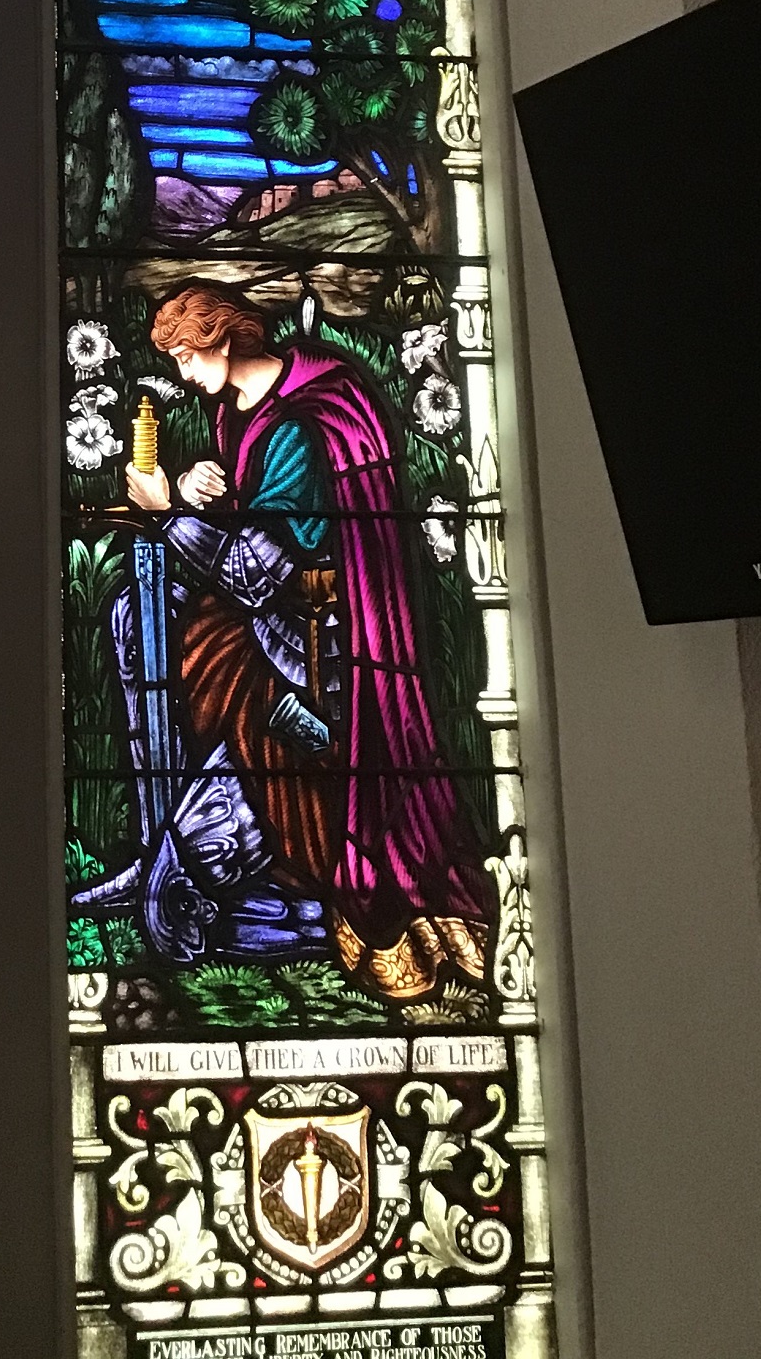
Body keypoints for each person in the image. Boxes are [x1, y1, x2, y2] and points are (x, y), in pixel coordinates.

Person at [82, 283, 488, 1003]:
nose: (183, 373)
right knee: (141, 619)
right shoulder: (239, 408)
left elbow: (256, 573)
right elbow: (255, 521)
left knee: (205, 655)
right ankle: (161, 846)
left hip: (313, 638)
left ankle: (215, 860)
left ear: (224, 338)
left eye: (187, 356)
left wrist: (169, 511)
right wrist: (203, 490)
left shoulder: (299, 428)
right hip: (272, 617)